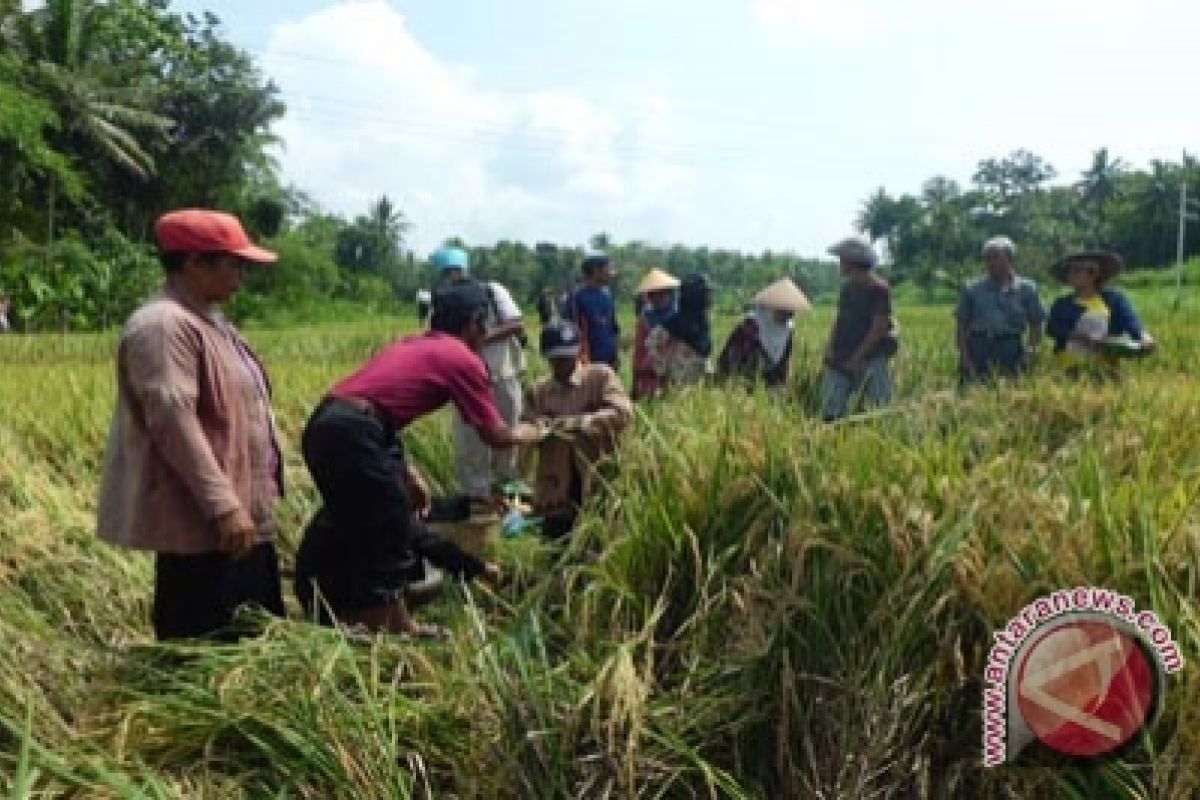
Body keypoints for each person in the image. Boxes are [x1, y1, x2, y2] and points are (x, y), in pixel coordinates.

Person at [295, 281, 544, 637]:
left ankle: (339, 610)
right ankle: (392, 630)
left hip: (330, 426)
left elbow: (381, 410)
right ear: (475, 323)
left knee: (361, 518)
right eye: (484, 326)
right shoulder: (463, 359)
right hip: (354, 432)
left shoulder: (415, 346)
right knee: (388, 528)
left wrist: (405, 471)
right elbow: (497, 436)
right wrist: (534, 431)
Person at [96, 209, 284, 642]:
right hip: (204, 528)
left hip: (240, 525)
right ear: (195, 263)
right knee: (202, 648)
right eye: (234, 263)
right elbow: (172, 420)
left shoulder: (211, 321)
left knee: (256, 644)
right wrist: (224, 506)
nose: (241, 275)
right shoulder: (163, 326)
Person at [432, 246, 528, 502]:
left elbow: (516, 323)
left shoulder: (492, 291)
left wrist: (480, 339)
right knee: (470, 440)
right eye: (447, 272)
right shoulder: (444, 300)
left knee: (507, 433)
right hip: (465, 381)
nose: (452, 276)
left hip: (502, 375)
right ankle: (477, 496)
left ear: (466, 270)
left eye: (456, 271)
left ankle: (507, 492)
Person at [523, 321, 632, 539]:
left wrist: (580, 422)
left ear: (579, 351)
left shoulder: (600, 377)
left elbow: (623, 413)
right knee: (558, 541)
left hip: (597, 474)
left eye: (567, 357)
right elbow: (527, 425)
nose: (563, 364)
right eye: (557, 359)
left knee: (602, 536)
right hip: (557, 482)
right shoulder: (540, 391)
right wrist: (538, 427)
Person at [821, 235, 897, 421]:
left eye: (842, 260)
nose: (840, 264)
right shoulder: (847, 289)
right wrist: (830, 349)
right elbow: (840, 321)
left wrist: (857, 358)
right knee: (831, 410)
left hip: (870, 358)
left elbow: (878, 328)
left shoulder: (879, 289)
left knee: (880, 411)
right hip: (841, 355)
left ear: (853, 262)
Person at [1045, 251, 1155, 376]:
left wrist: (1144, 337)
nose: (1071, 275)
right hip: (1069, 365)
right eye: (1069, 270)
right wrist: (1078, 336)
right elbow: (1052, 329)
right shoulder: (1062, 303)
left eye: (1076, 270)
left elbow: (1130, 321)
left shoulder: (1114, 299)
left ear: (1094, 274)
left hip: (1105, 365)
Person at [955, 236, 1045, 383]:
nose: (990, 262)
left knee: (1010, 393)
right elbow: (961, 326)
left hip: (1010, 349)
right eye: (987, 258)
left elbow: (1037, 324)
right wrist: (964, 358)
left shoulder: (1027, 289)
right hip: (979, 348)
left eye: (995, 257)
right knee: (973, 392)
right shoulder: (972, 289)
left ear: (1010, 259)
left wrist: (1030, 352)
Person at [717, 278, 810, 388]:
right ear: (771, 307)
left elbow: (785, 361)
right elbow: (732, 357)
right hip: (742, 382)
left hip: (770, 385)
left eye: (791, 312)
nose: (788, 316)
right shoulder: (751, 325)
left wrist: (784, 385)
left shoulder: (787, 329)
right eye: (784, 311)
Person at [647, 273, 714, 391]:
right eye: (706, 294)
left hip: (700, 391)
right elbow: (653, 359)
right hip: (677, 392)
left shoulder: (702, 323)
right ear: (695, 297)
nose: (709, 298)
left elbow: (705, 355)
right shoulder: (666, 330)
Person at [563, 251, 620, 371]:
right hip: (588, 362)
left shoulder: (607, 295)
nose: (611, 274)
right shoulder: (576, 297)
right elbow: (571, 332)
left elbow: (613, 328)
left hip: (609, 360)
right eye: (608, 269)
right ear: (596, 270)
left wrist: (615, 354)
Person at [630, 268, 680, 400]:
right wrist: (635, 378)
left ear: (669, 294)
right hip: (648, 376)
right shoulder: (645, 319)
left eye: (662, 294)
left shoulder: (678, 318)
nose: (657, 298)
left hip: (672, 375)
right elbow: (639, 349)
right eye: (652, 295)